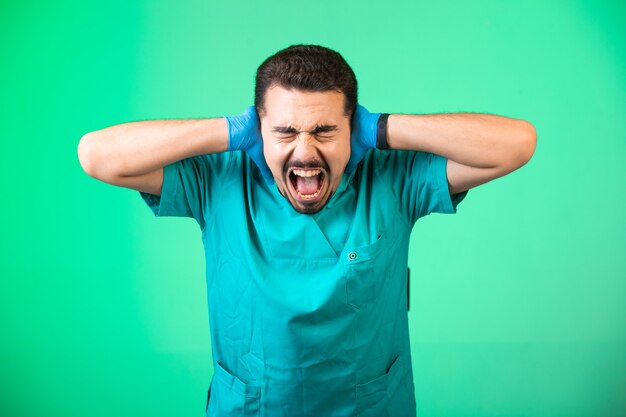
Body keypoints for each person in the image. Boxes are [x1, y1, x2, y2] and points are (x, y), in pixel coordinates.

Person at [77, 44, 536, 417]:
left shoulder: (394, 179)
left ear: (352, 129)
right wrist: (228, 131)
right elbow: (97, 156)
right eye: (285, 131)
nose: (304, 150)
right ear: (257, 130)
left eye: (324, 130)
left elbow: (516, 145)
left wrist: (383, 128)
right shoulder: (216, 180)